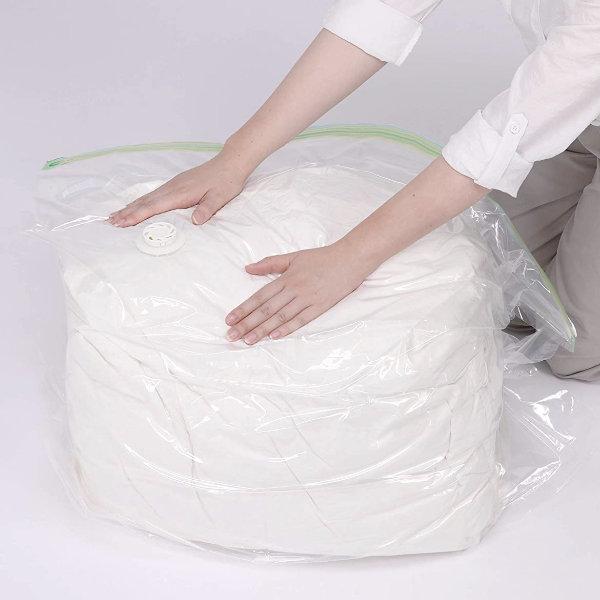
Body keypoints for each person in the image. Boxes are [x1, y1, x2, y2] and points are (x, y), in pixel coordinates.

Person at [108, 0, 600, 381]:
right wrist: (234, 158)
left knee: (573, 350)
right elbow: (378, 14)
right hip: (577, 109)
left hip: (580, 81)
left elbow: (493, 143)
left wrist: (350, 256)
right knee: (499, 285)